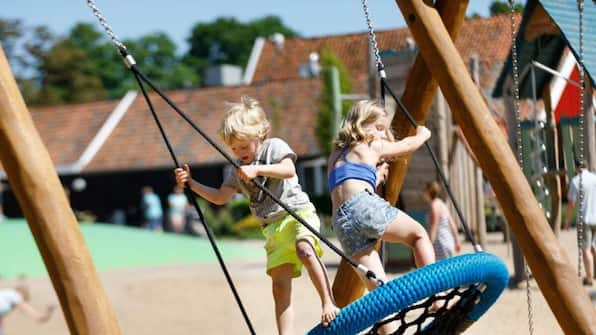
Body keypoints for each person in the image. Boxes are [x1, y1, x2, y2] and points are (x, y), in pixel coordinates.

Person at [174, 96, 338, 333]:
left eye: (244, 146)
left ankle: (327, 301)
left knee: (305, 249)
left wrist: (258, 169)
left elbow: (288, 169)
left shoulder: (275, 147)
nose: (239, 153)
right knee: (279, 288)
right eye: (234, 148)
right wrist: (192, 184)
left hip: (296, 214)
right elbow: (221, 197)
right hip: (271, 229)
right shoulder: (235, 168)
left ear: (260, 134)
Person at [327, 100, 435, 333]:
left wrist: (374, 177)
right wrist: (422, 135)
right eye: (378, 127)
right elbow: (407, 145)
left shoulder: (336, 153)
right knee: (418, 235)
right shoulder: (370, 145)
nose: (381, 134)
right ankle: (436, 296)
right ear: (359, 124)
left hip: (341, 222)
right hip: (362, 207)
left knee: (381, 294)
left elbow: (348, 184)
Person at [563, 160, 596, 286]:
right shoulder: (594, 178)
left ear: (577, 168)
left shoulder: (576, 181)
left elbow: (571, 203)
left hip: (584, 218)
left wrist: (567, 221)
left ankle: (589, 277)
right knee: (594, 247)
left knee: (586, 249)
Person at [422, 181, 461, 260]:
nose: (423, 193)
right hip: (448, 240)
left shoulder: (434, 206)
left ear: (428, 192)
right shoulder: (441, 203)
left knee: (441, 269)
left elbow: (434, 227)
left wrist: (429, 244)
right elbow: (452, 223)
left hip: (440, 243)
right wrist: (457, 240)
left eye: (424, 190)